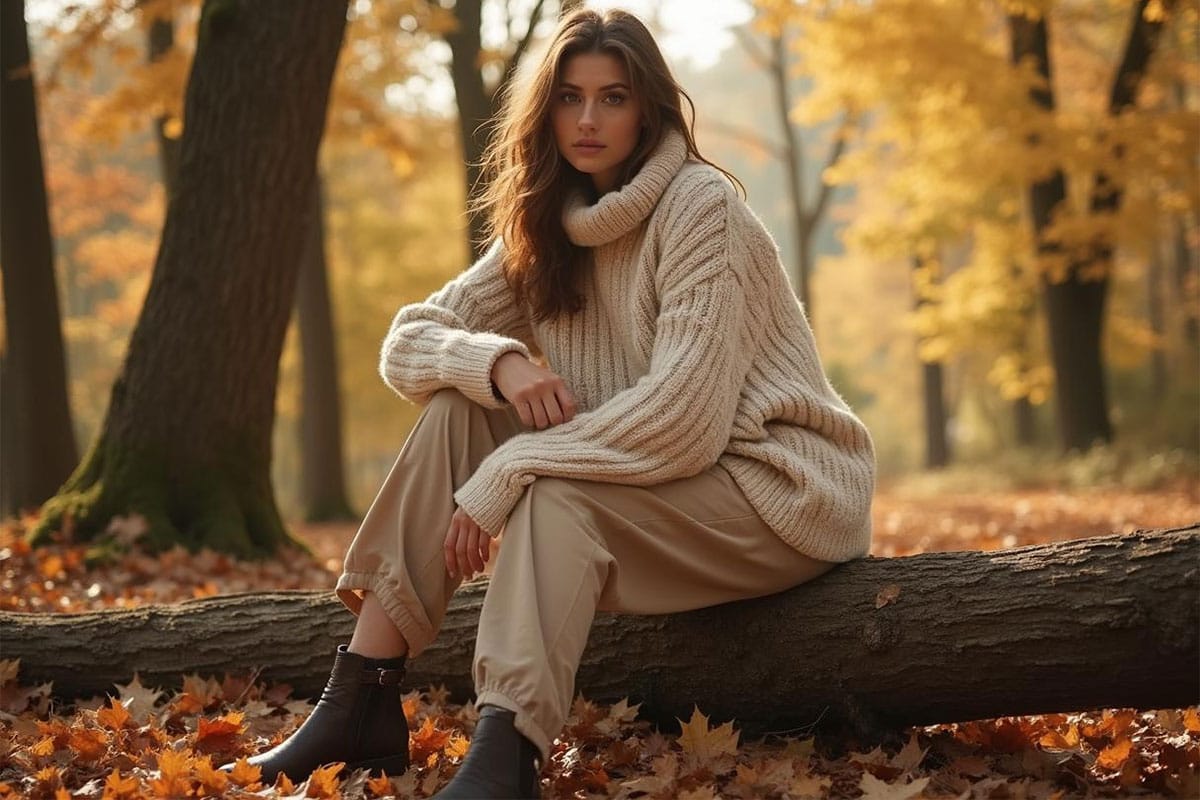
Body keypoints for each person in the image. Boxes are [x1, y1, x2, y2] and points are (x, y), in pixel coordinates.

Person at [229, 7, 875, 798]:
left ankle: (507, 756)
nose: (589, 119)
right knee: (456, 408)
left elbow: (685, 419)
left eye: (613, 97)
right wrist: (497, 364)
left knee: (553, 494)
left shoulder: (702, 208)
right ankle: (361, 695)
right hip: (662, 483)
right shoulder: (548, 222)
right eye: (570, 97)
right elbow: (408, 344)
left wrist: (513, 467)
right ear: (547, 111)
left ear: (649, 108)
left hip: (775, 492)